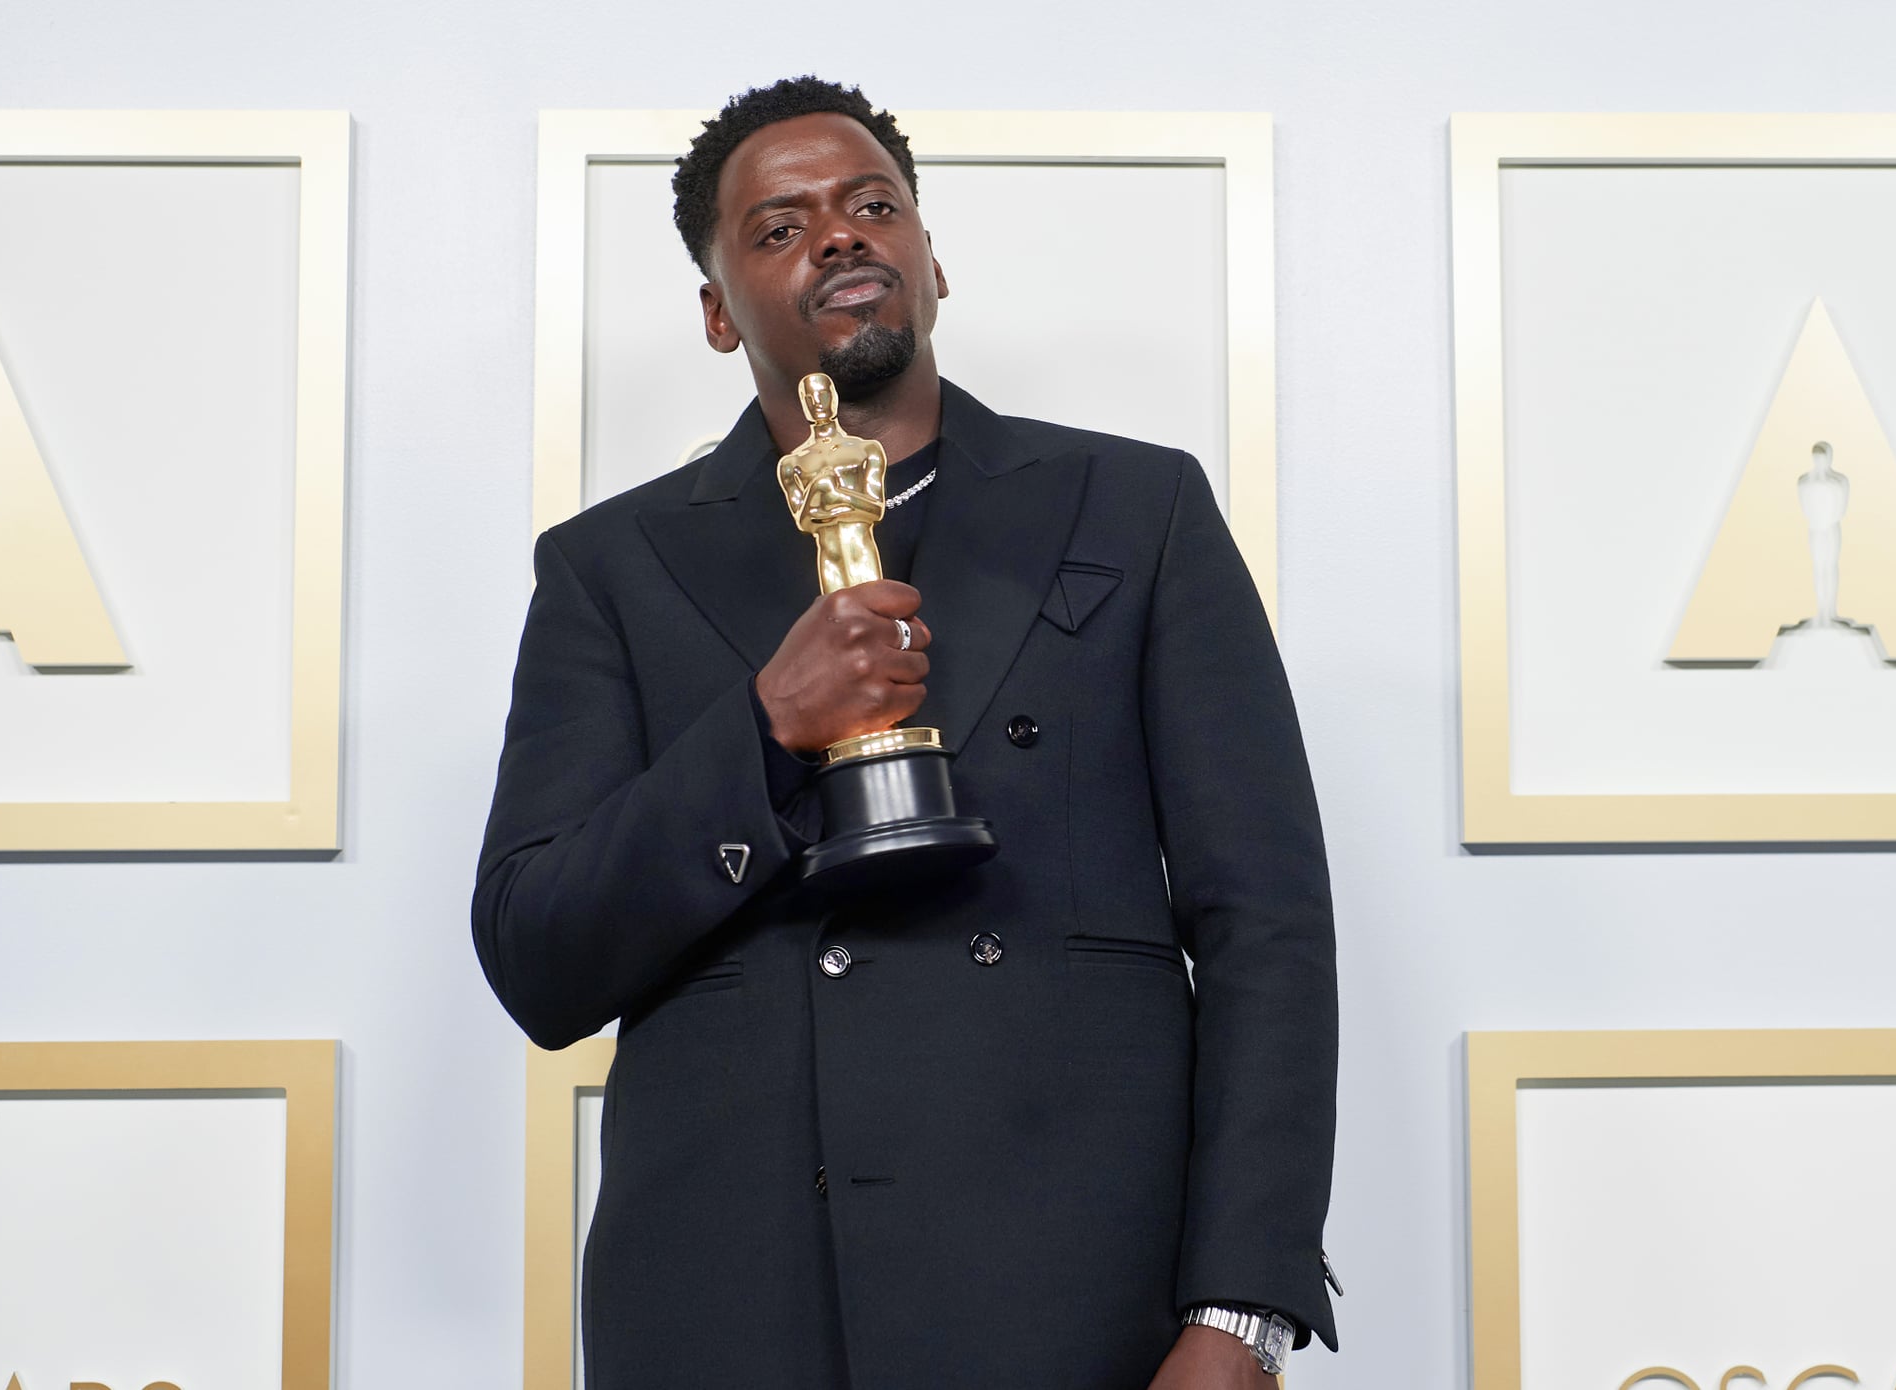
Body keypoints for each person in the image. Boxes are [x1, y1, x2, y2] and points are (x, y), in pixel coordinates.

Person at [473, 76, 1338, 1390]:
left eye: (874, 205)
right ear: (717, 312)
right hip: (734, 1301)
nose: (839, 234)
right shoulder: (612, 568)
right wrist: (767, 727)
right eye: (779, 226)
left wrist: (1239, 1311)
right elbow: (538, 954)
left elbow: (1264, 920)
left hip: (1079, 1290)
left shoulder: (1137, 509)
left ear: (933, 260)